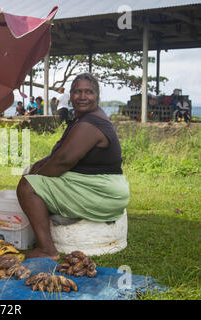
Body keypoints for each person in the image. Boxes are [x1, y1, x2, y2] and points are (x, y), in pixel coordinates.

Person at [16, 73, 130, 260]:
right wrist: (37, 167)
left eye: (89, 92)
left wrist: (36, 177)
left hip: (104, 193)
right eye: (77, 92)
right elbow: (58, 156)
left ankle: (47, 250)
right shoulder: (83, 119)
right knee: (32, 172)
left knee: (27, 187)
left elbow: (62, 162)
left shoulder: (91, 124)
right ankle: (57, 215)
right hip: (98, 185)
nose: (83, 96)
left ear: (97, 96)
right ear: (70, 95)